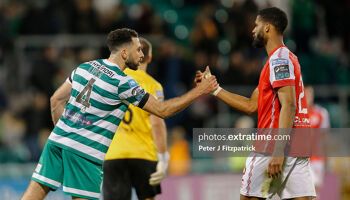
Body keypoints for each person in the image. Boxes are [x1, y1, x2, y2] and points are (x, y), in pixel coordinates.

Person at [21, 28, 218, 200]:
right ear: (124, 52)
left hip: (56, 142)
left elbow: (55, 100)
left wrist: (65, 135)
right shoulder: (123, 83)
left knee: (34, 194)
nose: (141, 55)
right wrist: (200, 91)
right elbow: (162, 110)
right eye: (138, 49)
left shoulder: (84, 67)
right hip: (85, 152)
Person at [196, 7, 315, 200]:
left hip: (272, 145)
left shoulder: (279, 59)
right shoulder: (282, 60)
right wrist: (214, 89)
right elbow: (251, 105)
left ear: (267, 28)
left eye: (256, 25)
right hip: (297, 145)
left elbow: (290, 105)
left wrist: (277, 151)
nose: (253, 30)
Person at [103, 38, 168, 200]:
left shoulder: (112, 80)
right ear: (150, 58)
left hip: (113, 153)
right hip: (143, 153)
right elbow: (157, 123)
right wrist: (163, 157)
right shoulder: (153, 85)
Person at [305, 86, 330, 199]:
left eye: (311, 94)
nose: (309, 97)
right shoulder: (296, 114)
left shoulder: (321, 113)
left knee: (315, 191)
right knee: (305, 191)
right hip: (301, 158)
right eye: (306, 94)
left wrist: (325, 157)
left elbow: (325, 137)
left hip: (316, 158)